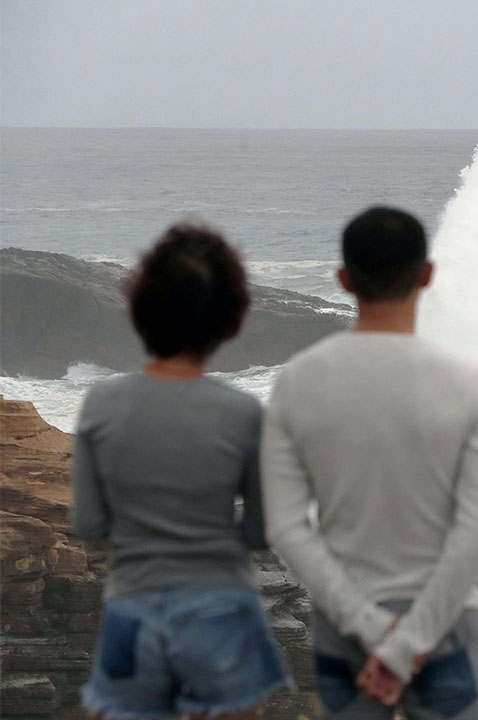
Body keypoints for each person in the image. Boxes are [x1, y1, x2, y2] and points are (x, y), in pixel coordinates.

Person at [261, 206, 478, 719]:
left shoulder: (299, 382)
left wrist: (374, 631)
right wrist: (409, 642)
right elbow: (475, 533)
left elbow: (285, 529)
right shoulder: (467, 383)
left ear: (344, 279)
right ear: (427, 274)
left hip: (345, 627)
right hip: (447, 623)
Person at [71, 223, 290, 720]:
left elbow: (89, 523)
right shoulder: (242, 413)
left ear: (141, 311)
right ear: (228, 321)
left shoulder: (101, 405)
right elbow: (260, 530)